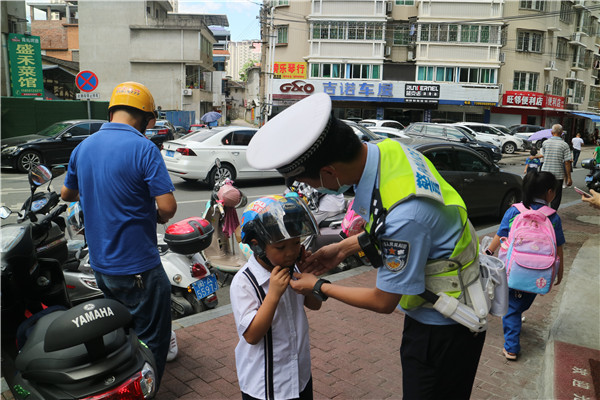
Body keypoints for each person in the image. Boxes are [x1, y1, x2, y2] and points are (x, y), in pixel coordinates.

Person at [246, 93, 486, 399]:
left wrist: (319, 286)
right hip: (449, 308)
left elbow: (383, 301)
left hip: (442, 326)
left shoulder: (405, 214)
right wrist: (343, 248)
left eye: (313, 183)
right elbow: (393, 222)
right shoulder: (391, 151)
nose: (316, 189)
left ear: (329, 172)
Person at [61, 81, 177, 387]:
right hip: (138, 266)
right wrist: (148, 213)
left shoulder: (83, 147)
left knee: (123, 328)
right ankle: (145, 389)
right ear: (146, 119)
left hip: (101, 266)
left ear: (111, 111)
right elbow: (167, 207)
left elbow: (66, 193)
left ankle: (122, 385)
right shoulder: (144, 148)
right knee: (153, 336)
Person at [230, 195, 322, 400]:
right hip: (265, 386)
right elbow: (252, 336)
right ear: (257, 246)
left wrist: (309, 282)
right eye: (280, 247)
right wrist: (273, 295)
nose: (291, 253)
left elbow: (315, 305)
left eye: (296, 243)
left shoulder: (294, 267)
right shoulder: (244, 282)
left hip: (299, 376)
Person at [484, 171, 565, 361]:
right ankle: (512, 347)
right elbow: (558, 247)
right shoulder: (553, 217)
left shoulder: (514, 211)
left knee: (513, 305)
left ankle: (513, 326)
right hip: (539, 272)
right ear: (550, 192)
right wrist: (559, 271)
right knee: (518, 304)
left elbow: (500, 233)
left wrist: (488, 252)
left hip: (513, 269)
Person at [540, 124, 573, 210]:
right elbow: (567, 162)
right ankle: (553, 214)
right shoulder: (565, 145)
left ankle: (543, 213)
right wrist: (569, 178)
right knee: (556, 196)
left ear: (552, 132)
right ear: (561, 133)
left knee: (544, 194)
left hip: (545, 173)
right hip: (558, 175)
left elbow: (543, 156)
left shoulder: (545, 143)